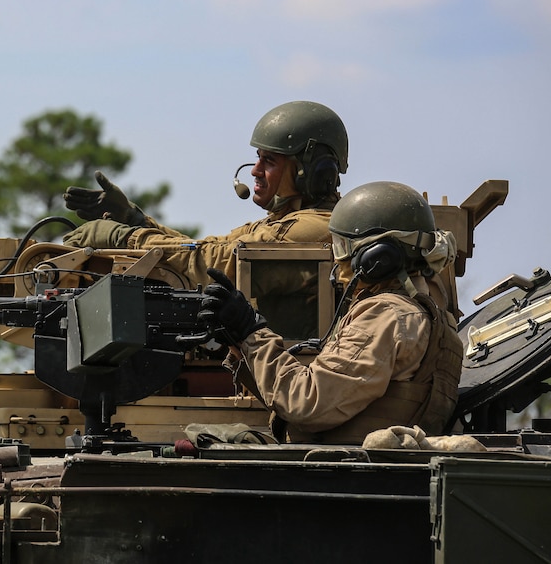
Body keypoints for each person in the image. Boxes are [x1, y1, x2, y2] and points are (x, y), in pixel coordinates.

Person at [198, 181, 463, 444]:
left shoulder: (387, 316)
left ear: (377, 257)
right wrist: (240, 342)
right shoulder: (420, 314)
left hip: (346, 473)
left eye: (343, 246)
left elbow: (306, 403)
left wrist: (252, 333)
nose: (338, 261)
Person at [62, 100, 349, 288]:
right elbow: (198, 248)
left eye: (270, 161)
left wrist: (123, 237)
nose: (255, 171)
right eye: (258, 158)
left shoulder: (317, 227)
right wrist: (134, 219)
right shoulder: (278, 222)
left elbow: (214, 263)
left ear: (311, 173)